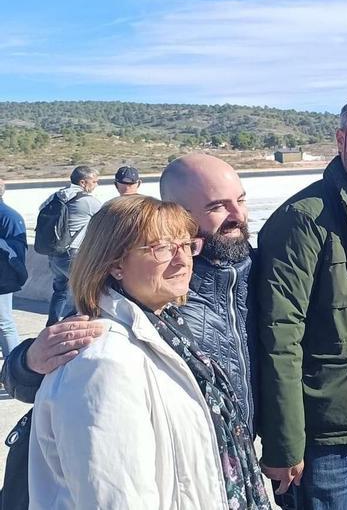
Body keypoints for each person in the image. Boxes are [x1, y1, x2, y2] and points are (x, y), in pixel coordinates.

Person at [28, 195, 270, 509]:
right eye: (162, 248)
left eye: (185, 245)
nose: (183, 261)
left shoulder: (168, 333)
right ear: (114, 263)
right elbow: (115, 496)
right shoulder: (103, 364)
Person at [5, 153, 261, 429]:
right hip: (185, 456)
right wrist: (27, 363)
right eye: (217, 206)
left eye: (241, 200)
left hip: (249, 453)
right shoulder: (152, 285)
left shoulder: (265, 271)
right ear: (178, 212)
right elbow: (51, 370)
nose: (238, 215)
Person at [256, 94, 347, 509]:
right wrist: (285, 443)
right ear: (341, 139)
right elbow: (278, 335)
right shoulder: (304, 217)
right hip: (321, 425)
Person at [43, 165, 103, 324]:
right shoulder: (88, 201)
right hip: (73, 254)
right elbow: (107, 219)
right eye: (95, 181)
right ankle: (67, 324)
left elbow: (41, 209)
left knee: (60, 291)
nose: (96, 185)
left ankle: (52, 324)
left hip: (54, 253)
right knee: (89, 292)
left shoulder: (57, 195)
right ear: (83, 182)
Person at [0, 178, 27, 357]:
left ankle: (13, 372)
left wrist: (17, 277)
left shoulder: (9, 217)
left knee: (4, 323)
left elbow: (17, 252)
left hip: (2, 279)